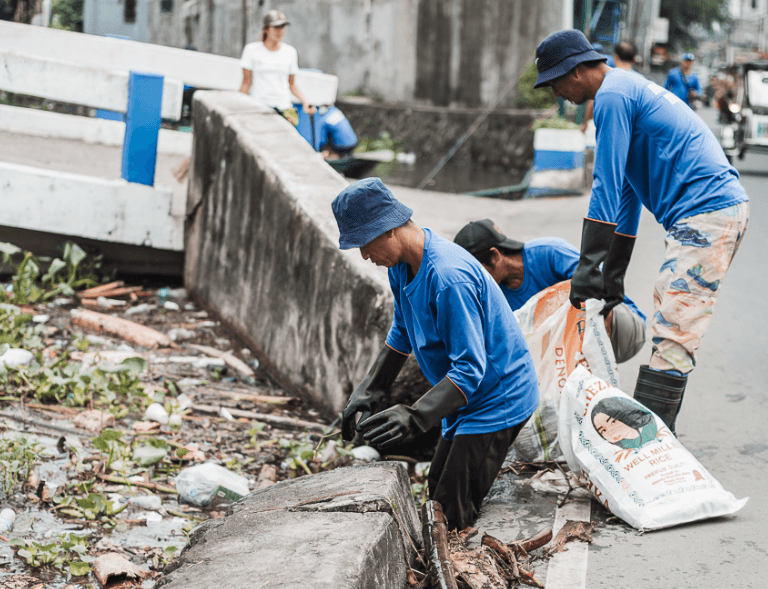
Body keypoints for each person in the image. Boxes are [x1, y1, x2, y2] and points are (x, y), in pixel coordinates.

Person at [533, 29, 749, 434]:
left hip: (708, 213)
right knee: (669, 321)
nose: (559, 94)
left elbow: (605, 183)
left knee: (674, 332)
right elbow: (627, 196)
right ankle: (648, 442)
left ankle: (646, 446)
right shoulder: (624, 89)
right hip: (704, 216)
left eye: (556, 83)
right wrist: (612, 275)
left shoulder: (612, 97)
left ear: (575, 71)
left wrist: (588, 264)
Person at [332, 177, 539, 531]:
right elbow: (403, 328)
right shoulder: (403, 265)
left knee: (450, 510)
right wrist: (371, 388)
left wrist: (415, 417)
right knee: (437, 495)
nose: (366, 256)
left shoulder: (447, 278)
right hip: (464, 400)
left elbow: (470, 370)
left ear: (388, 231)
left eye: (365, 245)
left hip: (496, 399)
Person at [453, 219, 646, 364]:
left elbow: (601, 290)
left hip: (622, 325)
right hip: (567, 353)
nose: (474, 282)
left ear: (494, 256)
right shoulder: (493, 296)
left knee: (584, 291)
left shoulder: (550, 252)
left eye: (476, 272)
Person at [239, 10, 316, 126]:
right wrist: (238, 106)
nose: (280, 31)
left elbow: (292, 84)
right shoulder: (251, 50)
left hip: (284, 107)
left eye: (283, 27)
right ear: (266, 29)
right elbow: (246, 82)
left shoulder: (290, 52)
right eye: (276, 27)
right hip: (260, 107)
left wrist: (305, 102)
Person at [582, 41, 637, 132]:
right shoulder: (641, 81)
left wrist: (585, 122)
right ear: (634, 59)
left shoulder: (608, 78)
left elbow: (592, 100)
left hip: (612, 125)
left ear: (615, 57)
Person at [591, 397, 657, 449]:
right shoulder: (616, 449)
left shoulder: (650, 428)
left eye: (613, 422)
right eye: (603, 430)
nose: (610, 431)